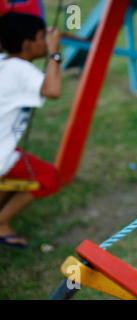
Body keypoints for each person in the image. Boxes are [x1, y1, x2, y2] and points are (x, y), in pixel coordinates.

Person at [0, 12, 62, 248]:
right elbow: (53, 90)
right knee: (49, 176)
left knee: (13, 167)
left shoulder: (4, 62)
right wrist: (55, 51)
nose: (44, 42)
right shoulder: (19, 68)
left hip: (4, 148)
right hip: (2, 153)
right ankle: (2, 222)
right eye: (41, 37)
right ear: (27, 44)